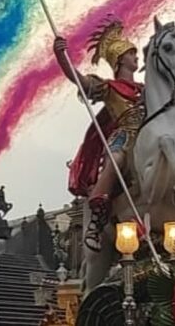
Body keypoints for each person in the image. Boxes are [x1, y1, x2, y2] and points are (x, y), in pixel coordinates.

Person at [53, 21, 144, 252]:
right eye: (131, 53)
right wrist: (62, 57)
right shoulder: (109, 87)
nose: (136, 57)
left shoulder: (146, 88)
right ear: (120, 59)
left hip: (147, 132)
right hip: (123, 135)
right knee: (117, 159)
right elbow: (79, 80)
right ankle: (97, 216)